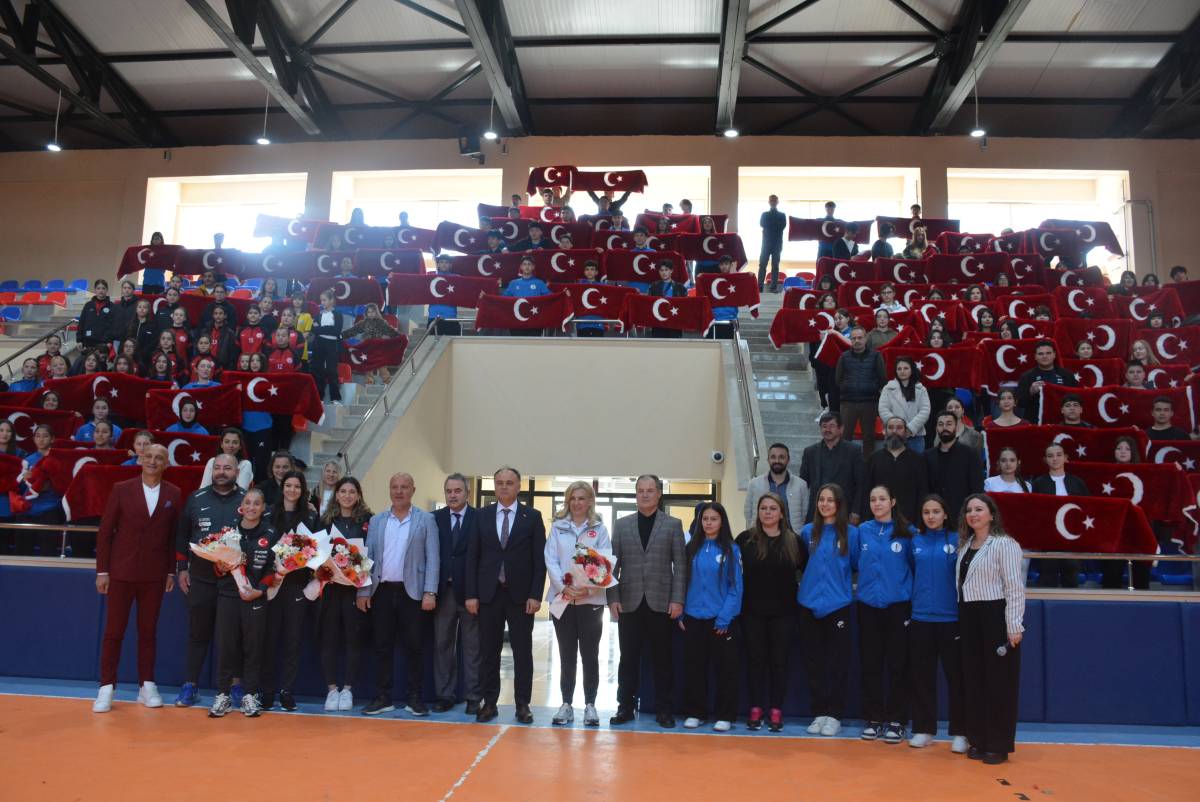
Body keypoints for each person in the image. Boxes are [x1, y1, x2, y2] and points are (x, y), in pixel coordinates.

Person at [92, 444, 180, 713]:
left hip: (154, 575)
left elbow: (172, 537)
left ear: (166, 463)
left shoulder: (174, 493)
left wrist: (170, 571)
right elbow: (105, 532)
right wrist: (102, 571)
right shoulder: (121, 488)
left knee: (148, 632)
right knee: (113, 632)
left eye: (159, 458)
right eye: (149, 456)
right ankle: (106, 687)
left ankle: (147, 685)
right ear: (141, 459)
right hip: (121, 573)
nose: (153, 461)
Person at [464, 466, 546, 724]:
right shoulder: (482, 516)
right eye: (499, 482)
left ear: (518, 486)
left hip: (521, 596)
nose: (504, 486)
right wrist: (471, 594)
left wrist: (536, 594)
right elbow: (472, 557)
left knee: (522, 652)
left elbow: (539, 560)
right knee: (489, 652)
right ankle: (490, 703)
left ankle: (522, 704)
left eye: (509, 482)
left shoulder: (532, 517)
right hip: (488, 594)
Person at [608, 474, 687, 728]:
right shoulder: (622, 525)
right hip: (628, 602)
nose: (645, 494)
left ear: (659, 494)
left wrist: (678, 600)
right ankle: (625, 707)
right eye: (640, 490)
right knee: (628, 659)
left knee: (662, 660)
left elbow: (681, 566)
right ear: (636, 494)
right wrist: (612, 598)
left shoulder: (673, 525)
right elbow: (612, 566)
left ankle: (664, 710)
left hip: (662, 602)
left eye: (650, 490)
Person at [359, 473, 439, 717]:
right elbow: (368, 558)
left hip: (412, 593)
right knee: (382, 646)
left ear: (413, 490)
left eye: (404, 487)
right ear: (389, 490)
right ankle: (383, 697)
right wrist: (363, 590)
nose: (399, 491)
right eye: (394, 487)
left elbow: (433, 558)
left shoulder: (426, 520)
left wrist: (430, 591)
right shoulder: (377, 521)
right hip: (381, 591)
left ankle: (415, 698)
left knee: (414, 647)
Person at [174, 453, 246, 708]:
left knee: (233, 636)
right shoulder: (196, 498)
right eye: (218, 468)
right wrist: (182, 569)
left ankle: (236, 686)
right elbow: (182, 535)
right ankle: (190, 685)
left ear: (237, 472)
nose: (222, 472)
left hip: (234, 581)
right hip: (201, 579)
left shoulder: (247, 499)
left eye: (228, 468)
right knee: (198, 633)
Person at [957, 494, 1025, 764]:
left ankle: (998, 744)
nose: (973, 514)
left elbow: (1014, 587)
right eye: (969, 510)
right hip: (969, 615)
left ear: (992, 515)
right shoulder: (965, 546)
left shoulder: (1005, 544)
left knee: (999, 683)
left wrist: (1014, 625)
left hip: (995, 615)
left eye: (979, 509)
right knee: (975, 680)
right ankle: (978, 739)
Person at [736, 492, 806, 732]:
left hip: (784, 613)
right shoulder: (745, 540)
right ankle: (755, 708)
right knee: (755, 662)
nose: (767, 512)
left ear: (782, 513)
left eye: (772, 508)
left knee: (779, 663)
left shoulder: (794, 542)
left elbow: (807, 572)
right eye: (763, 508)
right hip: (752, 613)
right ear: (757, 512)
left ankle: (776, 709)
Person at [206, 488, 278, 718]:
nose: (251, 507)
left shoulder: (271, 533)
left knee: (253, 649)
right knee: (226, 647)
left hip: (255, 599)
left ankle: (250, 695)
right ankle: (223, 694)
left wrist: (260, 590)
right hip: (228, 597)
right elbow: (217, 566)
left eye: (256, 503)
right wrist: (220, 567)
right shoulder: (229, 532)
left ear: (263, 507)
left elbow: (273, 569)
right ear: (241, 506)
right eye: (248, 502)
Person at [544, 481, 610, 727]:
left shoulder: (599, 529)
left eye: (582, 498)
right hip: (562, 600)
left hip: (590, 601)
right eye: (572, 498)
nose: (577, 502)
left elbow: (603, 562)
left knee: (590, 655)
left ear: (590, 501)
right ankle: (566, 704)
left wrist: (587, 588)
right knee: (566, 654)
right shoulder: (558, 527)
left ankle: (590, 705)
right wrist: (564, 587)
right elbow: (550, 559)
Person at [798, 483, 860, 737]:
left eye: (830, 500)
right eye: (821, 499)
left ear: (839, 504)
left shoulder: (852, 534)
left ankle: (834, 715)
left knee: (837, 664)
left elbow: (856, 565)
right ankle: (819, 712)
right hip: (808, 604)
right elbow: (802, 564)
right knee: (814, 663)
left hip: (838, 606)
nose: (825, 504)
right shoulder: (807, 532)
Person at [856, 484, 915, 744]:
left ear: (892, 502)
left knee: (898, 665)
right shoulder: (862, 531)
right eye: (873, 499)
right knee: (870, 664)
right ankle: (873, 718)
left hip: (897, 607)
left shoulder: (907, 532)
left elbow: (914, 567)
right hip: (868, 606)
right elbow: (854, 562)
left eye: (882, 499)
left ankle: (897, 720)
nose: (877, 503)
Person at [909, 495, 968, 752]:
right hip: (921, 618)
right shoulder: (915, 541)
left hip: (951, 619)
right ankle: (924, 729)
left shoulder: (958, 540)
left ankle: (961, 732)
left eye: (936, 511)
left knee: (956, 678)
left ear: (945, 514)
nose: (931, 516)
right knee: (922, 678)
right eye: (926, 512)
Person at [680, 502, 743, 733]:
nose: (708, 523)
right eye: (705, 519)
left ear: (722, 522)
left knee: (725, 670)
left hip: (721, 620)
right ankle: (695, 712)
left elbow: (736, 587)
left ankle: (725, 715)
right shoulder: (691, 548)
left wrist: (725, 617)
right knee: (694, 668)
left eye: (713, 519)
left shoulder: (731, 549)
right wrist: (682, 611)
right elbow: (682, 582)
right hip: (693, 617)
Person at [261, 470, 319, 711]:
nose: (292, 490)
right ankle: (266, 692)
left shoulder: (311, 517)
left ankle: (286, 691)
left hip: (297, 585)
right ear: (282, 487)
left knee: (292, 642)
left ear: (303, 490)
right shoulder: (268, 514)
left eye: (297, 486)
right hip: (272, 585)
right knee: (269, 640)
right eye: (288, 485)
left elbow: (317, 552)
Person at [320, 476, 371, 711]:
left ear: (358, 495)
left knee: (353, 639)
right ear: (336, 494)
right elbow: (316, 553)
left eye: (352, 492)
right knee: (329, 639)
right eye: (343, 491)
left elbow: (371, 554)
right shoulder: (325, 521)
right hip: (330, 589)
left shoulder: (368, 521)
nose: (347, 496)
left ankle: (348, 690)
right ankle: (332, 690)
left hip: (355, 590)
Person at [431, 473, 480, 714]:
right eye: (449, 491)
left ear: (467, 493)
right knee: (443, 645)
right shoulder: (435, 518)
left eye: (458, 490)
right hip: (443, 592)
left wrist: (475, 593)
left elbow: (482, 558)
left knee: (472, 646)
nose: (453, 495)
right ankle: (444, 695)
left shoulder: (479, 518)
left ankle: (473, 697)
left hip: (471, 593)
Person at [1030, 443, 1088, 588]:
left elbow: (1087, 509)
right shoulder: (1038, 483)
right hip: (1048, 538)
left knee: (1071, 577)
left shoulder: (1078, 482)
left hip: (1072, 538)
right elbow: (1034, 511)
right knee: (1047, 577)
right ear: (1045, 460)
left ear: (1066, 458)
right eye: (1050, 456)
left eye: (1059, 455)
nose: (1055, 459)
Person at [799, 411, 867, 523]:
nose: (827, 429)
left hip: (844, 510)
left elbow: (861, 483)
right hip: (817, 511)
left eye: (831, 426)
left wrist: (856, 511)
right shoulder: (810, 452)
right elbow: (803, 484)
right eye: (824, 426)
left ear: (841, 429)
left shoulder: (853, 451)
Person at [864, 417, 930, 524]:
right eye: (891, 427)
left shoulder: (917, 460)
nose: (894, 431)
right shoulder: (874, 459)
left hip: (909, 521)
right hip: (879, 521)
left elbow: (923, 492)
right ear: (884, 431)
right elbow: (867, 491)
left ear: (906, 432)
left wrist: (920, 522)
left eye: (899, 428)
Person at [835, 326, 887, 456]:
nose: (857, 341)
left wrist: (871, 388)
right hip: (848, 403)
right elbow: (838, 379)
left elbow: (882, 378)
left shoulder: (876, 356)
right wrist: (848, 388)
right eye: (854, 338)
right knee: (845, 437)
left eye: (860, 337)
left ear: (866, 338)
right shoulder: (844, 357)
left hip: (870, 403)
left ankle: (868, 465)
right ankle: (845, 464)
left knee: (869, 437)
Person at [925, 410, 984, 520]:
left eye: (949, 424)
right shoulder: (927, 456)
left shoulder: (970, 454)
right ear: (936, 428)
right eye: (940, 424)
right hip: (935, 517)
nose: (944, 428)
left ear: (956, 427)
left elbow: (977, 487)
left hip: (962, 515)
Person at [743, 442, 808, 533]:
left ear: (788, 460)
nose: (777, 461)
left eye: (781, 457)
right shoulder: (754, 484)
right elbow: (748, 512)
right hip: (760, 536)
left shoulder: (801, 485)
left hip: (791, 537)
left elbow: (804, 514)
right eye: (773, 457)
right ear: (768, 460)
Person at [1015, 340, 1077, 424]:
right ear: (1035, 356)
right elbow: (1019, 403)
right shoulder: (1026, 376)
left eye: (1048, 353)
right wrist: (1030, 392)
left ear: (1054, 354)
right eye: (1040, 354)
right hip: (1035, 422)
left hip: (1062, 421)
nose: (1044, 356)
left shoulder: (1067, 375)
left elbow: (1076, 398)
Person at [878, 356, 930, 453]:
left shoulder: (921, 389)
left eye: (906, 368)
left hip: (915, 436)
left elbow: (925, 411)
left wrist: (910, 428)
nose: (902, 371)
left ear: (911, 370)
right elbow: (883, 409)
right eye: (899, 369)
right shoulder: (888, 388)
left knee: (916, 462)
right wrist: (897, 428)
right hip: (893, 435)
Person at [311, 290, 344, 405]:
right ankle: (319, 397)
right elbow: (313, 329)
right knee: (318, 370)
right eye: (321, 300)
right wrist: (326, 329)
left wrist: (320, 329)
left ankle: (335, 398)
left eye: (324, 300)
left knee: (332, 370)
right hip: (319, 343)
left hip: (332, 344)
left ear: (331, 300)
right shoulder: (318, 315)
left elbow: (336, 331)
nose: (322, 302)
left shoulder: (337, 314)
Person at [647, 260, 688, 339]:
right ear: (659, 272)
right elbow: (649, 304)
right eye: (661, 270)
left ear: (671, 271)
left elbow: (685, 306)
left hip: (674, 324)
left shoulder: (680, 287)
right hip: (658, 324)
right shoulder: (653, 286)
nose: (664, 272)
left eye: (666, 270)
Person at [758, 195, 786, 292]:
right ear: (769, 202)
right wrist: (774, 225)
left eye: (774, 200)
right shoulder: (764, 214)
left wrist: (770, 225)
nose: (773, 202)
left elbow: (782, 226)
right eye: (771, 200)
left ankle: (773, 287)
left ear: (777, 202)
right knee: (762, 264)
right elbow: (762, 224)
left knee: (775, 265)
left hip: (777, 244)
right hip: (766, 244)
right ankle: (759, 286)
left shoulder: (782, 215)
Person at [708, 254, 740, 339]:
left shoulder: (737, 280)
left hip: (730, 320)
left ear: (731, 265)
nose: (724, 266)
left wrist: (750, 276)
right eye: (722, 264)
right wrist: (701, 277)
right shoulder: (712, 280)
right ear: (719, 266)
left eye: (726, 264)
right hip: (715, 320)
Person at [79, 279, 114, 349]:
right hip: (88, 342)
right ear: (95, 290)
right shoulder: (88, 305)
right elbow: (81, 323)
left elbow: (113, 326)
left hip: (104, 343)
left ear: (107, 290)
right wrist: (79, 340)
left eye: (103, 288)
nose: (101, 291)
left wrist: (110, 341)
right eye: (98, 288)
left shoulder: (112, 306)